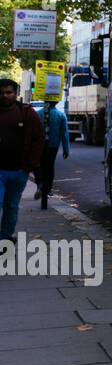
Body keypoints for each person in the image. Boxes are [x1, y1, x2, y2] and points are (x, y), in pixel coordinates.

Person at [0, 79, 44, 242]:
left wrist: (30, 165)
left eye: (8, 92)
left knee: (11, 207)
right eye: (2, 92)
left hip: (19, 171)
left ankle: (5, 237)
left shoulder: (27, 113)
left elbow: (38, 139)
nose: (5, 96)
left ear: (16, 94)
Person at [38, 99, 70, 198]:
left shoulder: (37, 114)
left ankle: (40, 186)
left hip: (40, 145)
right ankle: (48, 189)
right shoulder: (60, 115)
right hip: (53, 145)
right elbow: (64, 134)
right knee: (50, 166)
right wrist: (66, 149)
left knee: (41, 165)